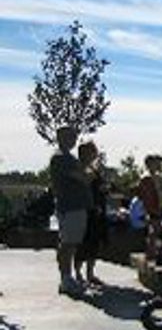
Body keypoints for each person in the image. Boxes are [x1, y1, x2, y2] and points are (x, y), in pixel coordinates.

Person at [49, 126, 92, 295]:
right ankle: (66, 279)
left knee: (69, 243)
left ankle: (67, 278)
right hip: (71, 206)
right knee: (68, 244)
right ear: (61, 138)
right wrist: (89, 171)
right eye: (71, 137)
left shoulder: (66, 158)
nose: (74, 140)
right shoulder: (62, 158)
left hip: (72, 206)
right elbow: (83, 177)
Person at [74, 141, 108, 285]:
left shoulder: (94, 169)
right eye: (92, 151)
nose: (95, 154)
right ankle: (77, 273)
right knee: (83, 243)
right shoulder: (79, 168)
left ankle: (90, 273)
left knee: (94, 243)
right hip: (85, 210)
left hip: (98, 210)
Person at [138, 154, 162, 260]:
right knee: (154, 230)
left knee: (158, 229)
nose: (158, 165)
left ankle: (155, 250)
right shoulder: (147, 178)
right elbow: (146, 195)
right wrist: (151, 208)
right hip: (153, 207)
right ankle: (150, 252)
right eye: (155, 163)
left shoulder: (158, 176)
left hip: (160, 205)